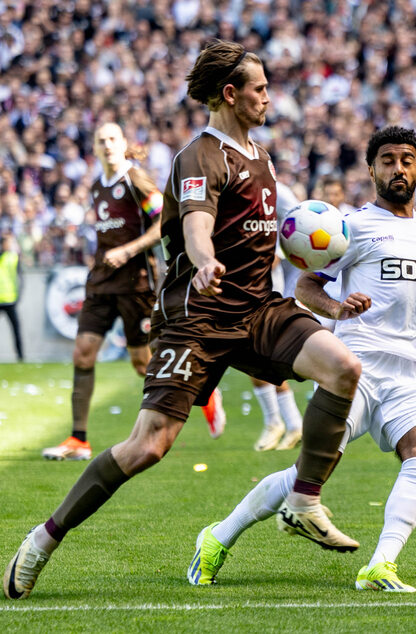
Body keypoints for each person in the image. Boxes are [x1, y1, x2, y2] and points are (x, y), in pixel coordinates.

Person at [4, 39, 361, 601]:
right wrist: (203, 261)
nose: (269, 97)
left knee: (343, 368)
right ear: (230, 94)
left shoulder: (262, 158)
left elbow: (281, 233)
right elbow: (197, 225)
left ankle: (303, 500)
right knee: (148, 446)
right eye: (260, 88)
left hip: (258, 308)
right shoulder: (199, 156)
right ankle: (43, 539)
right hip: (196, 316)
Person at [187, 126, 416, 593]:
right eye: (386, 160)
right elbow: (305, 287)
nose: (397, 168)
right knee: (310, 473)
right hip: (357, 368)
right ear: (371, 169)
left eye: (406, 160)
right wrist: (338, 309)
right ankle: (217, 536)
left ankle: (381, 565)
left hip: (412, 375)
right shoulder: (352, 226)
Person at [41, 123, 167, 460]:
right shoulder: (97, 187)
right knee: (82, 353)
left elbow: (164, 222)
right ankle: (78, 440)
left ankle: (185, 405)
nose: (107, 145)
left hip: (135, 283)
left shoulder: (135, 180)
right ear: (94, 149)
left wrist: (128, 250)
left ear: (123, 143)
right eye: (101, 141)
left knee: (142, 363)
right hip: (100, 282)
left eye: (113, 139)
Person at [250, 181, 305, 452]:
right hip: (234, 287)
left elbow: (299, 220)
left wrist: (278, 253)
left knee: (261, 358)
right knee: (254, 358)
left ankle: (283, 422)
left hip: (264, 288)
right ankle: (287, 423)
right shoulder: (224, 184)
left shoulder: (276, 189)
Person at [0, 232, 23, 361]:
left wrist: (18, 296)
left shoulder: (13, 257)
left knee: (16, 330)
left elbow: (20, 278)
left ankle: (20, 356)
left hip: (10, 300)